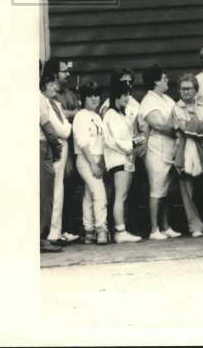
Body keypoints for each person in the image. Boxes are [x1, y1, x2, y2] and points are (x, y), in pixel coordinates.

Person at [173, 73, 203, 237]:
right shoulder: (176, 107)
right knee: (188, 192)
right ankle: (195, 226)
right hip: (184, 153)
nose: (185, 92)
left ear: (196, 90)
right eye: (182, 89)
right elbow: (186, 128)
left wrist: (198, 126)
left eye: (188, 89)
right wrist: (201, 125)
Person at [139, 64, 179, 240]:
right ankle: (154, 229)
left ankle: (166, 225)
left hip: (170, 149)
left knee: (167, 189)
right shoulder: (149, 101)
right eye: (164, 77)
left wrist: (176, 126)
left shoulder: (167, 99)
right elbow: (159, 124)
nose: (167, 80)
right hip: (156, 149)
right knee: (156, 189)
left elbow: (176, 119)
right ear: (155, 81)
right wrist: (177, 128)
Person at [44, 56, 82, 241]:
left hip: (68, 149)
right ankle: (52, 232)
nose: (67, 74)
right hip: (56, 149)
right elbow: (63, 129)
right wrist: (71, 119)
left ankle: (60, 230)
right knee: (55, 191)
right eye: (63, 71)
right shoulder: (47, 101)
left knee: (64, 190)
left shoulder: (61, 98)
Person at [102, 81, 143, 243]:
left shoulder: (120, 114)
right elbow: (117, 141)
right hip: (118, 159)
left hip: (125, 158)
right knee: (120, 195)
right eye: (125, 94)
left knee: (122, 196)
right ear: (117, 96)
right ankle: (120, 231)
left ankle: (121, 229)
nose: (128, 98)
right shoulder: (111, 115)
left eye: (129, 94)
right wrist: (132, 144)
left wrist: (133, 141)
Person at [72, 81, 109, 244]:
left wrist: (100, 161)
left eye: (96, 95)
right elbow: (82, 142)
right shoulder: (81, 116)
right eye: (90, 96)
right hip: (86, 159)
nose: (94, 99)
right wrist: (93, 164)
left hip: (96, 159)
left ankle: (88, 231)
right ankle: (101, 229)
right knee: (99, 193)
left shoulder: (96, 116)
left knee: (90, 194)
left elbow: (100, 142)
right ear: (84, 98)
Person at [39, 70, 65, 253]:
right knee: (45, 194)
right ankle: (41, 238)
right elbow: (46, 126)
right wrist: (57, 147)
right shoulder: (39, 99)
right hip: (41, 147)